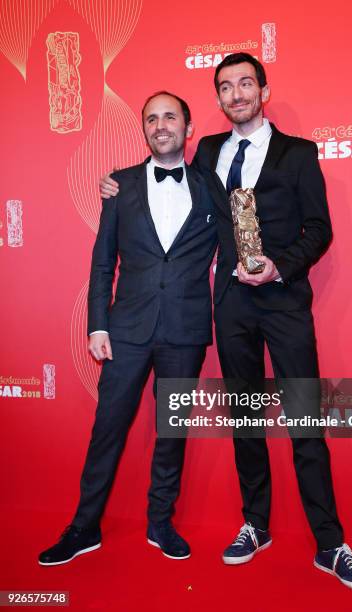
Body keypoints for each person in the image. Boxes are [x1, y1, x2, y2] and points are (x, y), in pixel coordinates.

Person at [98, 54, 352, 591]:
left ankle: (330, 542)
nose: (236, 93)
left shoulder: (298, 154)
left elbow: (319, 229)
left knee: (304, 423)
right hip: (230, 307)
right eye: (225, 87)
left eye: (246, 83)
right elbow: (163, 174)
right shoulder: (207, 153)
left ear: (263, 90)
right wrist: (118, 184)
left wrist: (280, 266)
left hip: (283, 300)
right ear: (219, 100)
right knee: (246, 421)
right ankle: (256, 523)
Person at [38, 92, 217, 566]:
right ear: (144, 129)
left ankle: (160, 522)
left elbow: (242, 239)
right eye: (152, 119)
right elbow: (102, 264)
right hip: (126, 330)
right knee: (107, 429)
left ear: (188, 126)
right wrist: (98, 324)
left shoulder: (212, 186)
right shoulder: (119, 185)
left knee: (171, 432)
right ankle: (84, 527)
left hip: (185, 330)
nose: (161, 126)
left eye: (170, 117)